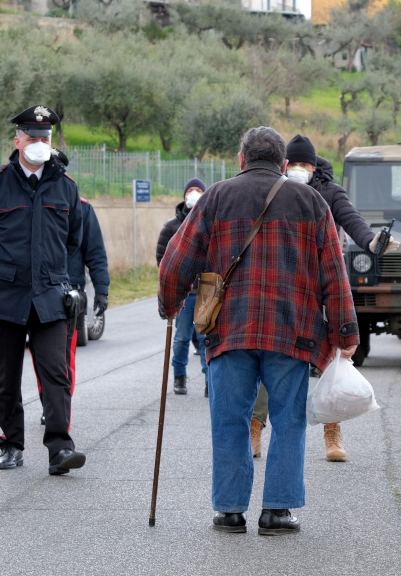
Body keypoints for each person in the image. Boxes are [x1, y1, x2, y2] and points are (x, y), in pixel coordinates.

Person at [158, 126, 360, 535]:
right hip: (293, 331)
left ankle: (229, 510)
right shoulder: (311, 201)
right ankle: (278, 511)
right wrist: (345, 335)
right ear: (284, 164)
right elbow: (335, 276)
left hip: (229, 331)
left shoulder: (215, 197)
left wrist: (170, 303)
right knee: (289, 420)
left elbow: (175, 263)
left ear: (241, 159)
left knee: (229, 418)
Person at [250, 134, 400, 463]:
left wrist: (372, 242)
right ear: (285, 164)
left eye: (307, 164)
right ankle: (256, 426)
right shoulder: (275, 188)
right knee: (267, 358)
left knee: (330, 363)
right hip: (281, 289)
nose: (301, 169)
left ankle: (332, 432)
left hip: (319, 291)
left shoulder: (329, 193)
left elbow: (351, 219)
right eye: (296, 164)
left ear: (315, 166)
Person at [0, 105, 87, 476]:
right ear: (17, 141)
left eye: (45, 138)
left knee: (56, 372)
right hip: (6, 296)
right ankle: (12, 444)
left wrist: (54, 274)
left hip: (49, 295)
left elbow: (73, 240)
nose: (39, 143)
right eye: (32, 137)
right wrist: (1, 268)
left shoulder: (65, 187)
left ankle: (60, 448)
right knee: (7, 374)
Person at [36, 148, 109, 426]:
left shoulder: (82, 207)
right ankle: (48, 402)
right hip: (40, 290)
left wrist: (101, 288)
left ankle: (59, 406)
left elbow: (95, 251)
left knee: (64, 355)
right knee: (41, 355)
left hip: (70, 292)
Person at [155, 178, 208, 396]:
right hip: (184, 294)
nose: (194, 194)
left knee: (207, 339)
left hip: (206, 293)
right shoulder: (171, 227)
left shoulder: (211, 223)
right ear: (184, 194)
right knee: (182, 337)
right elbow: (163, 258)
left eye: (198, 190)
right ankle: (179, 376)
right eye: (191, 190)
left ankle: (209, 380)